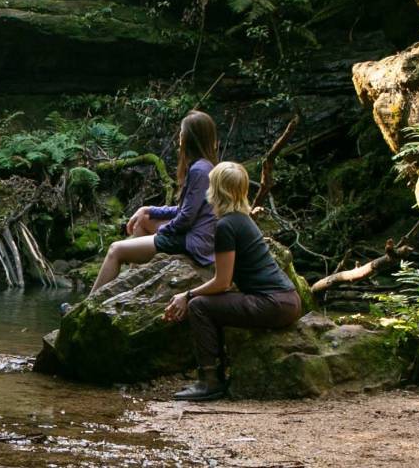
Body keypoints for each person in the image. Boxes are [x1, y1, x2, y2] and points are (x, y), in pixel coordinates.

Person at [161, 161, 303, 401]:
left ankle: (210, 381)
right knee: (207, 303)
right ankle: (215, 373)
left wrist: (186, 295)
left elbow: (223, 283)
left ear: (215, 190)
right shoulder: (241, 219)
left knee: (199, 306)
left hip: (272, 303)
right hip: (287, 300)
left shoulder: (226, 225)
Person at [90, 110, 219, 292]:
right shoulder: (203, 167)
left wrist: (161, 231)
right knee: (143, 219)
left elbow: (186, 218)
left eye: (181, 134)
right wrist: (149, 210)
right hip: (194, 236)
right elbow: (184, 209)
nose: (178, 139)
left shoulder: (199, 170)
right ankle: (132, 285)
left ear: (189, 139)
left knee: (115, 250)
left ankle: (89, 303)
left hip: (194, 244)